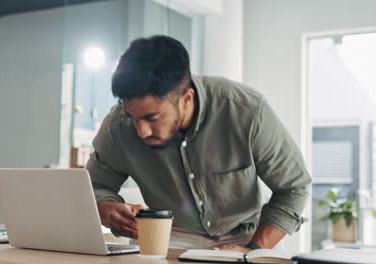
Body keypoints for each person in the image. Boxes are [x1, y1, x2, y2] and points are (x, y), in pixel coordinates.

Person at [86, 35, 311, 251]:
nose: (141, 131)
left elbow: (293, 187)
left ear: (186, 99)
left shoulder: (246, 109)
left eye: (151, 118)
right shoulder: (118, 125)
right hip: (170, 234)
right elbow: (93, 186)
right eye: (132, 116)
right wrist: (106, 207)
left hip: (249, 235)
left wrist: (251, 250)